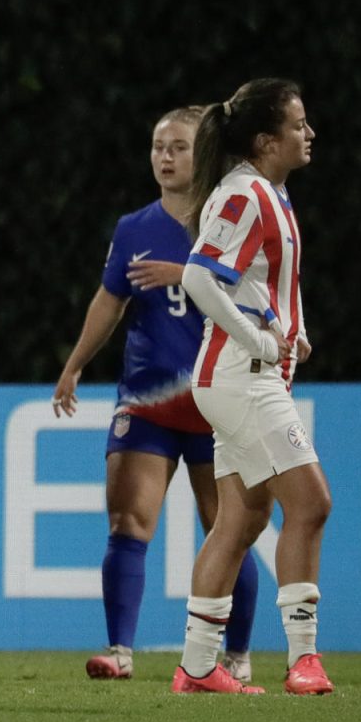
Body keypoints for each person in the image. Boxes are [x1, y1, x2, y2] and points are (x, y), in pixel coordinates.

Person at [52, 106, 260, 682]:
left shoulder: (234, 221)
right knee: (127, 521)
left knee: (229, 526)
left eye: (179, 147)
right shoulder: (133, 228)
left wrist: (187, 271)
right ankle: (120, 653)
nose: (165, 157)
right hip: (147, 399)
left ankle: (237, 658)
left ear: (205, 154)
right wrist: (74, 366)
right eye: (157, 146)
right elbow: (109, 301)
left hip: (218, 398)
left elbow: (259, 297)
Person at [172, 78, 332, 696]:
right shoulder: (247, 195)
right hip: (242, 378)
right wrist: (256, 339)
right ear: (266, 141)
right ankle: (303, 660)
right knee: (312, 504)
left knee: (239, 521)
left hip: (244, 375)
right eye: (297, 125)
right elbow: (199, 277)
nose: (308, 133)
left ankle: (197, 667)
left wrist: (289, 330)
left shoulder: (268, 194)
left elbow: (248, 283)